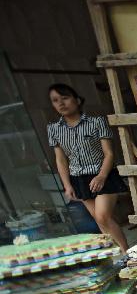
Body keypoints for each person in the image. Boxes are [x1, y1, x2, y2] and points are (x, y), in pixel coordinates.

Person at [47, 83, 129, 252]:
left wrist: (101, 176)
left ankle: (126, 253)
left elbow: (109, 154)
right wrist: (67, 185)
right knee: (99, 219)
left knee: (102, 215)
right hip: (79, 178)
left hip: (103, 174)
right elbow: (61, 160)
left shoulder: (96, 122)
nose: (61, 103)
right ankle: (119, 254)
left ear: (77, 100)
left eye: (65, 98)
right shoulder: (53, 129)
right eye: (55, 100)